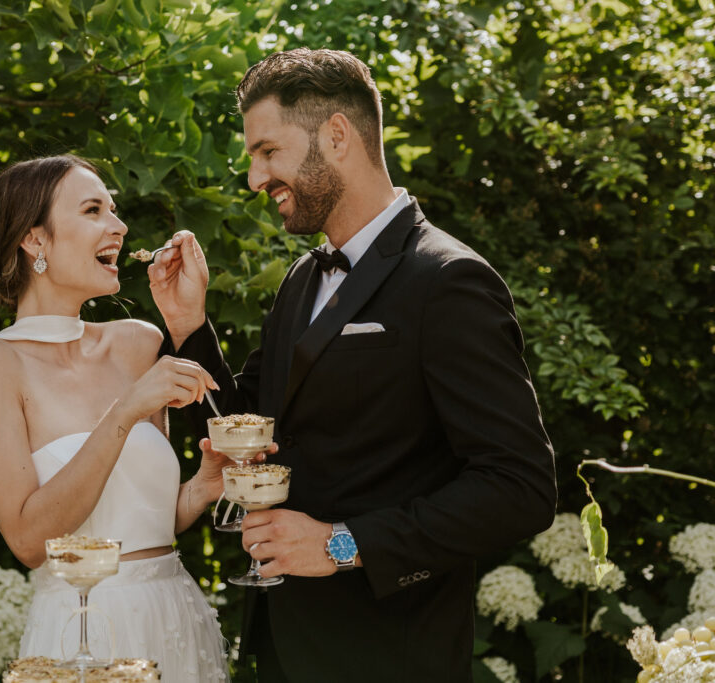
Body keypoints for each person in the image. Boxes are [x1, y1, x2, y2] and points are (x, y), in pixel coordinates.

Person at [148, 48, 557, 681]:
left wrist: (343, 544)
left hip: (392, 655)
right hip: (283, 647)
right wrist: (188, 326)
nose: (254, 178)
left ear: (337, 135)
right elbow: (244, 430)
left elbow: (519, 488)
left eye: (268, 151)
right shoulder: (300, 280)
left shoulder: (448, 280)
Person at [0, 155, 232, 683]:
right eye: (92, 210)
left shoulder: (138, 343)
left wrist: (201, 488)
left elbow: (148, 518)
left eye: (114, 209)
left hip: (175, 617)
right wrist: (124, 411)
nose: (118, 226)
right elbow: (30, 542)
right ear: (34, 239)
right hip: (82, 633)